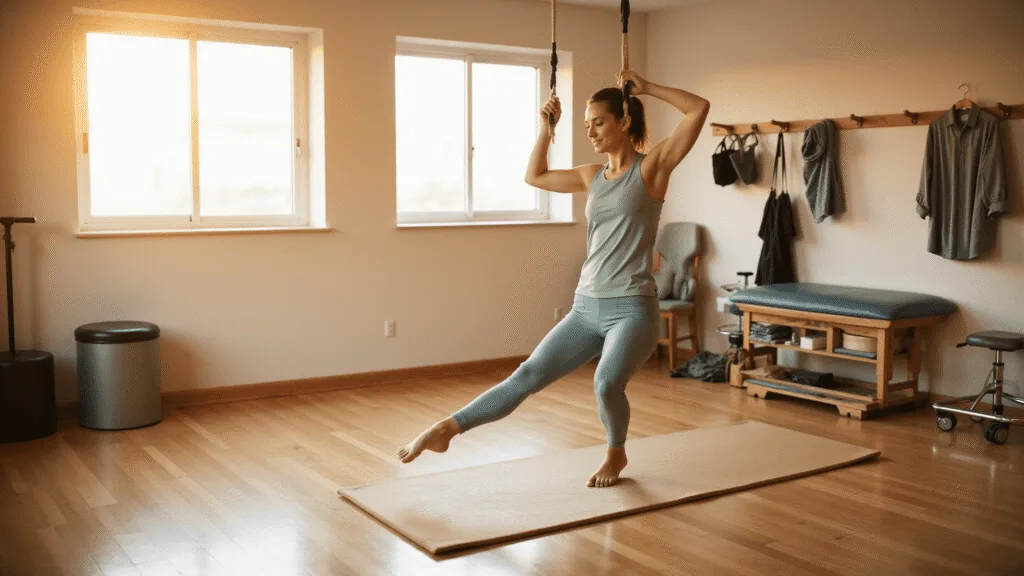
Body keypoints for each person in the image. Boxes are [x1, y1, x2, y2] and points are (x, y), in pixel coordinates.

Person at [397, 70, 709, 488]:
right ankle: (447, 430)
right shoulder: (590, 176)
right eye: (586, 125)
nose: (592, 132)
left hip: (632, 308)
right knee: (527, 375)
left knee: (606, 381)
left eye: (599, 122)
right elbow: (536, 176)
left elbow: (698, 109)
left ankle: (615, 454)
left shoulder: (651, 169)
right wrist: (546, 130)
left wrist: (647, 88)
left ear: (624, 121)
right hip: (585, 307)